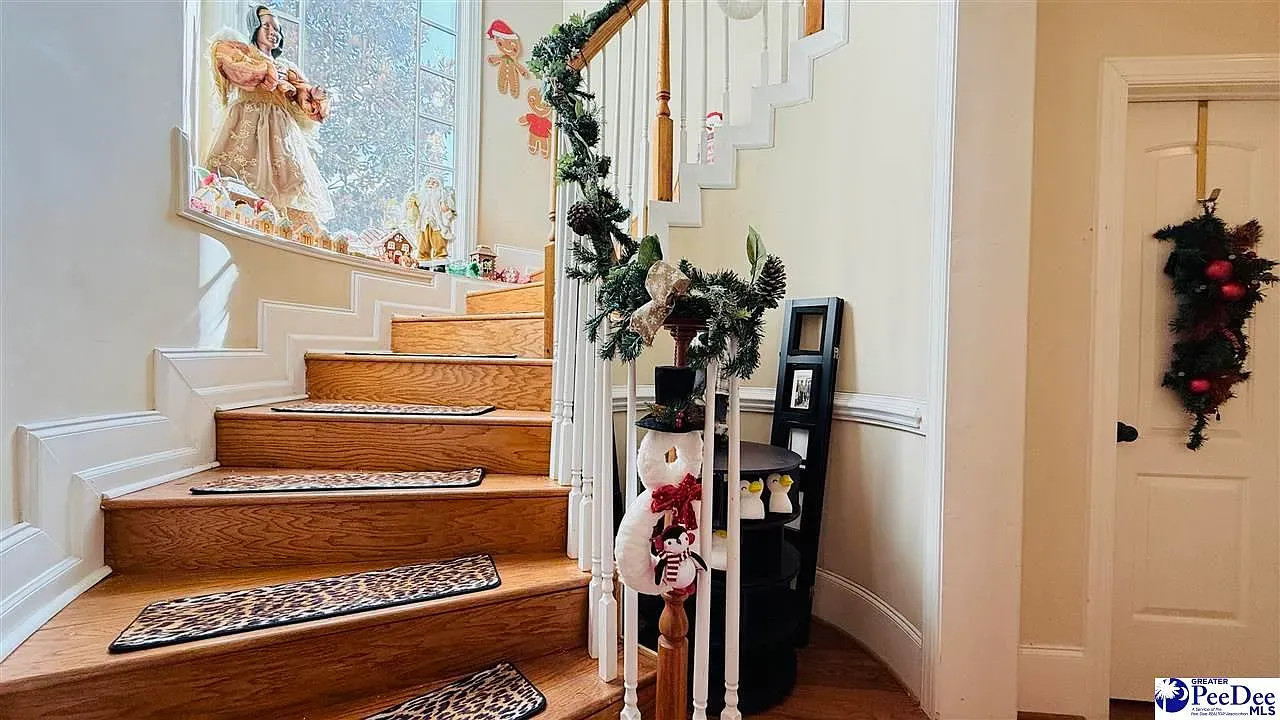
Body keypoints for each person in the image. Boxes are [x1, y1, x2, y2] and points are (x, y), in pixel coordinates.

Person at [205, 6, 334, 229]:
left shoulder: (287, 68)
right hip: (249, 118)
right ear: (255, 28)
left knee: (289, 174)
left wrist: (316, 95)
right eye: (267, 26)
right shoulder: (245, 55)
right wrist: (266, 71)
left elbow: (305, 101)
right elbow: (236, 68)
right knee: (242, 169)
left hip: (281, 128)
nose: (273, 32)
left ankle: (281, 222)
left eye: (277, 29)